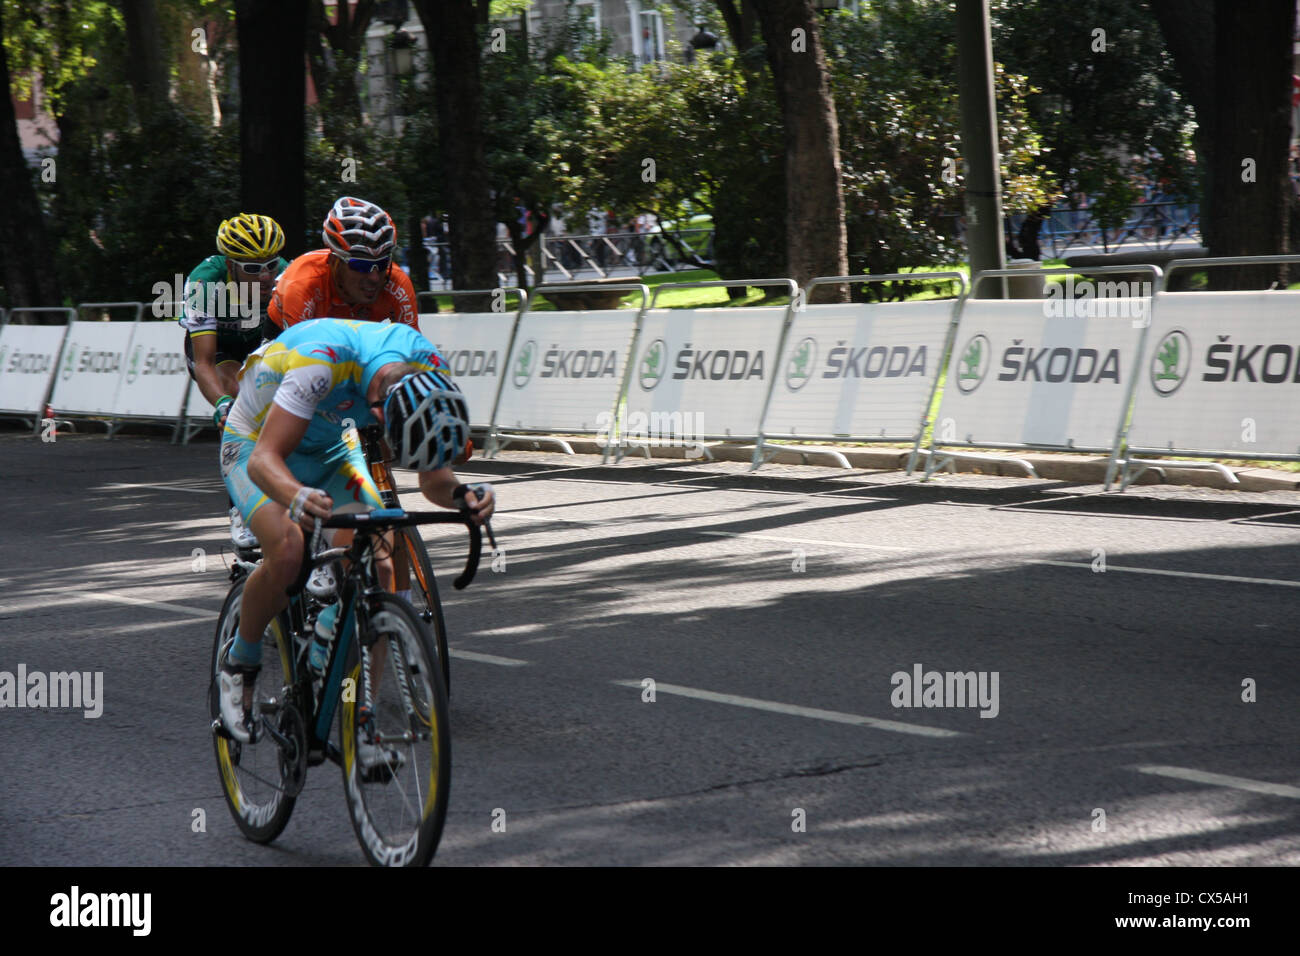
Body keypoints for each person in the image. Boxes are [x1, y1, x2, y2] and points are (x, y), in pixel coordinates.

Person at [216, 317, 495, 753]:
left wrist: (464, 495)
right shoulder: (321, 364)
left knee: (380, 567)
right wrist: (296, 496)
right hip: (255, 444)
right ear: (380, 413)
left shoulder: (426, 370)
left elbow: (432, 479)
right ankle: (241, 660)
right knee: (288, 550)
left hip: (330, 448)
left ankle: (360, 724)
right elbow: (263, 461)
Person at [178, 213, 291, 551]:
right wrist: (222, 405)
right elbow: (204, 361)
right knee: (237, 399)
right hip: (221, 349)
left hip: (264, 341)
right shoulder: (204, 283)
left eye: (271, 265)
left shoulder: (288, 276)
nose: (266, 275)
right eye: (253, 269)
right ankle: (241, 506)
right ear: (230, 265)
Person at [267, 196, 418, 332]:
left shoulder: (397, 283)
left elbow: (414, 351)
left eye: (382, 264)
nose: (374, 278)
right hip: (286, 335)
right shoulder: (303, 283)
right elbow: (297, 356)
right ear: (334, 262)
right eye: (361, 265)